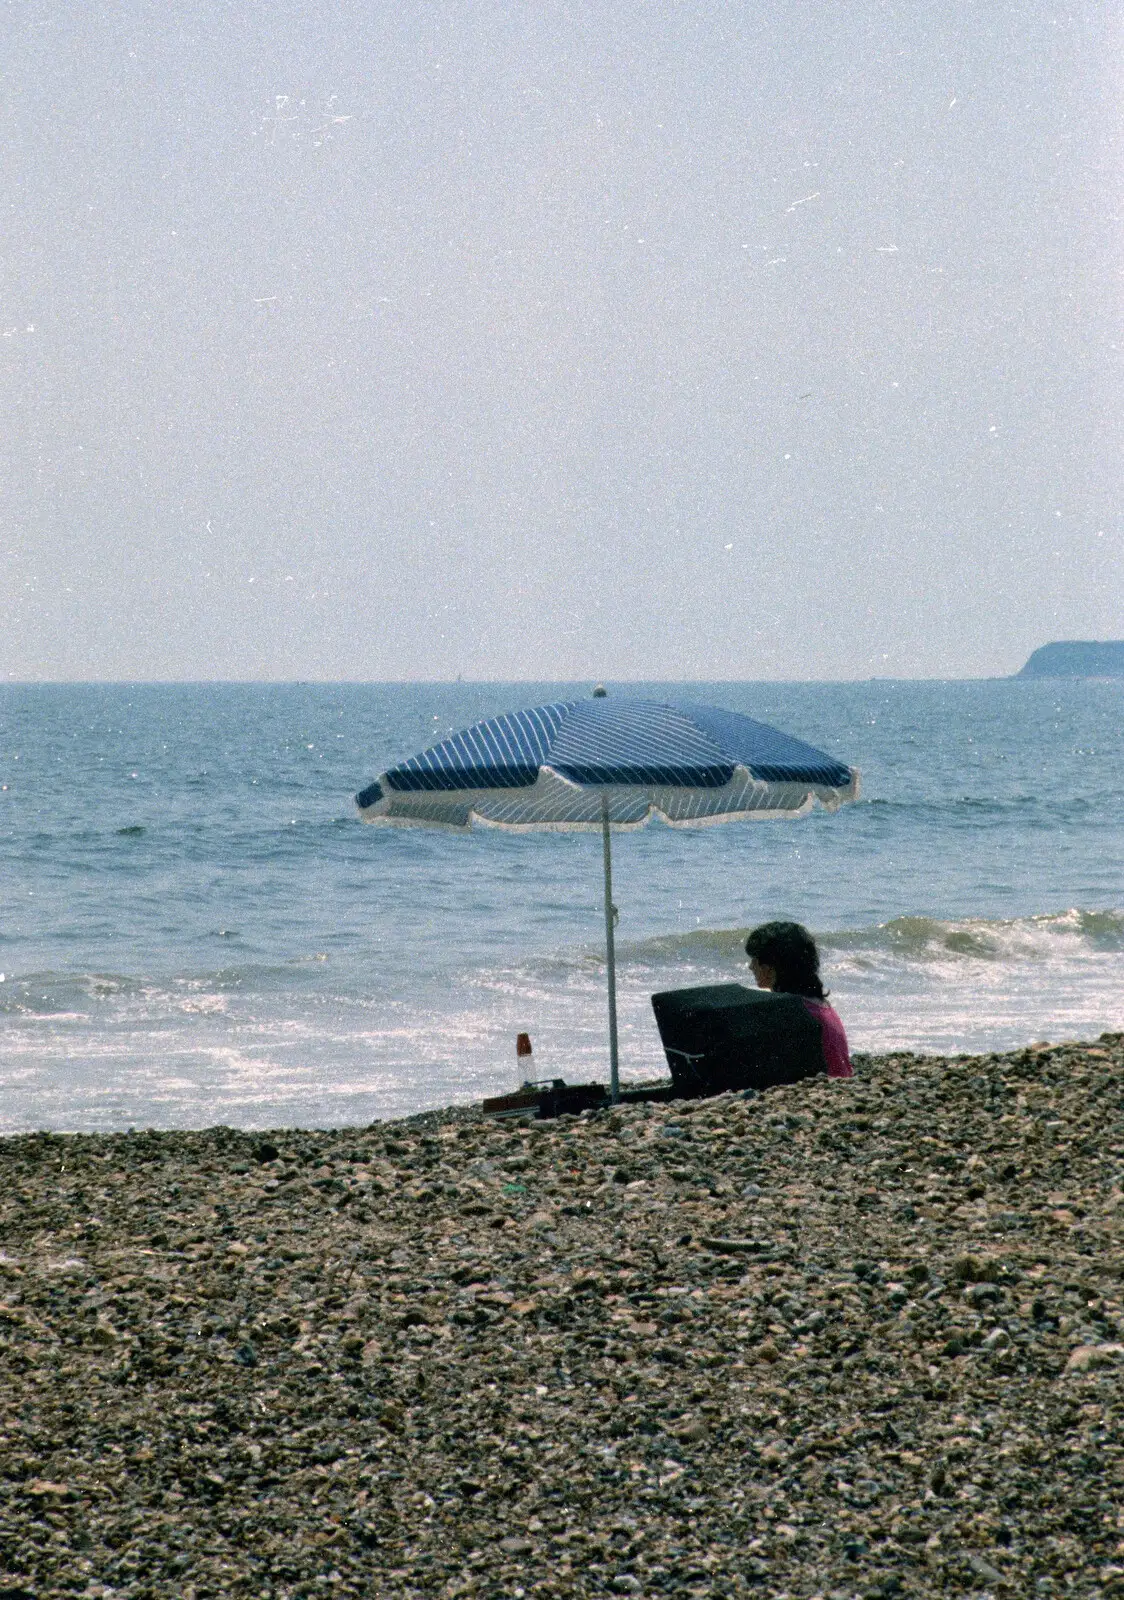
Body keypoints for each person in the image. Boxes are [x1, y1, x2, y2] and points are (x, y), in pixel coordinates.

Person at [744, 920, 853, 1078]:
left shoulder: (793, 1012)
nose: (750, 967)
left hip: (823, 1086)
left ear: (771, 967)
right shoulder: (819, 1004)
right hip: (838, 1082)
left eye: (754, 959)